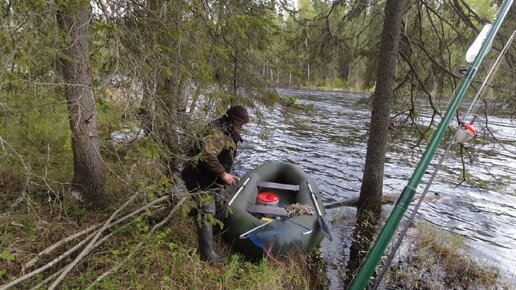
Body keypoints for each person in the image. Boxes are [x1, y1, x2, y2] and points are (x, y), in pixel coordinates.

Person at [181, 105, 250, 262]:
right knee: (208, 208)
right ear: (233, 121)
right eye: (241, 125)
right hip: (196, 175)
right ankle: (207, 254)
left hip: (209, 177)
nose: (242, 128)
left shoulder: (228, 129)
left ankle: (207, 230)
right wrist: (223, 174)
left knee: (222, 207)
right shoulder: (217, 133)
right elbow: (207, 155)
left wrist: (223, 176)